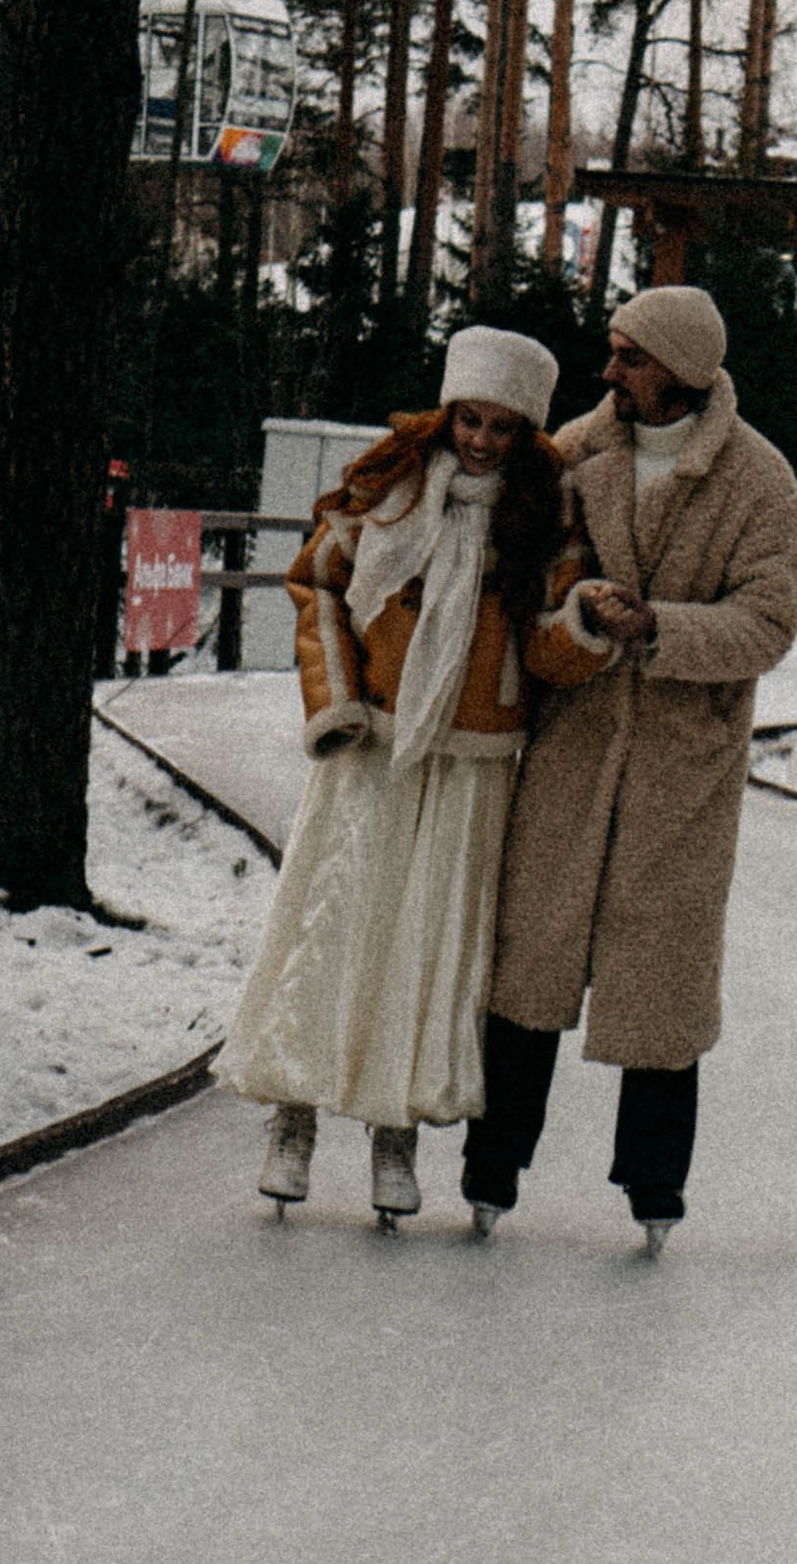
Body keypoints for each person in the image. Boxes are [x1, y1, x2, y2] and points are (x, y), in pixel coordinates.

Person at [217, 327, 610, 1223]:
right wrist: (336, 700)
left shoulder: (545, 521)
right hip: (374, 744)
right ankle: (293, 1118)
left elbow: (548, 650)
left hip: (475, 760)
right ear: (447, 412)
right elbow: (316, 583)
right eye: (469, 418)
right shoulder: (384, 489)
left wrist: (586, 622)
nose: (479, 440)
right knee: (335, 922)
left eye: (502, 428)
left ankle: (393, 1135)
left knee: (430, 948)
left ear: (528, 435)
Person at [466, 282, 797, 1254]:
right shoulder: (577, 454)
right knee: (527, 968)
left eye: (630, 357)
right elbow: (515, 567)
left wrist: (659, 626)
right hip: (569, 758)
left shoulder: (759, 483)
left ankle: (653, 1186)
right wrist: (571, 614)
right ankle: (492, 1166)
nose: (609, 371)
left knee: (661, 985)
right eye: (611, 352)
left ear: (683, 372)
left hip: (679, 773)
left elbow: (768, 621)